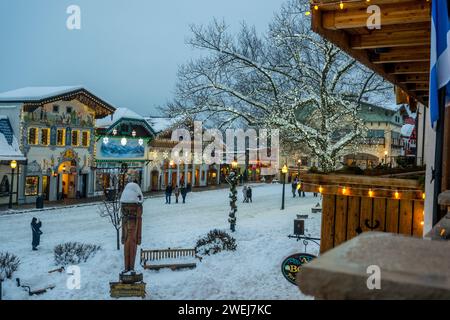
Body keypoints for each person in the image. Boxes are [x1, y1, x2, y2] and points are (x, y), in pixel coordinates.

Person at [120, 181, 143, 273]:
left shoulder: (137, 219)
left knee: (132, 252)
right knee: (126, 253)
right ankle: (126, 268)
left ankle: (131, 268)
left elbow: (139, 223)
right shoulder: (125, 219)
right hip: (127, 239)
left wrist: (138, 238)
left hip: (133, 239)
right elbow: (123, 224)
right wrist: (122, 237)